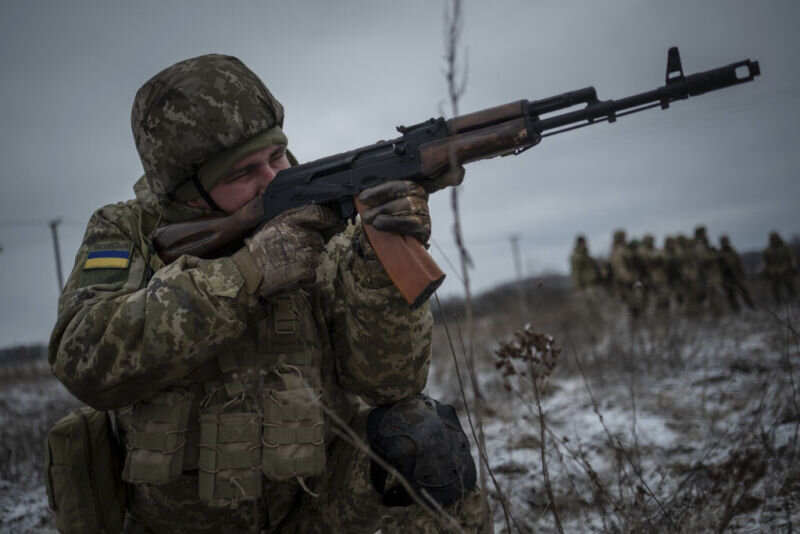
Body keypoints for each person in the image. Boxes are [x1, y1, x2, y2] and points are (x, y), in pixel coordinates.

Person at [48, 55, 484, 534]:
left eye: (277, 157)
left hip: (316, 506)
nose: (273, 179)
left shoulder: (315, 221)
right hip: (177, 524)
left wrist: (377, 264)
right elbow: (84, 358)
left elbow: (389, 385)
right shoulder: (126, 229)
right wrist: (245, 275)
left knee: (426, 444)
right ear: (187, 190)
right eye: (243, 173)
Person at [718, 235, 754, 312]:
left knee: (744, 291)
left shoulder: (733, 251)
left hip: (736, 275)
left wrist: (742, 273)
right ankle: (736, 310)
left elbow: (739, 263)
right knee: (731, 295)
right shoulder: (720, 254)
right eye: (723, 242)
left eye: (725, 241)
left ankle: (751, 306)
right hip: (727, 277)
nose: (725, 243)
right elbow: (719, 267)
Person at [762, 231, 797, 305]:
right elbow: (765, 262)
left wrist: (793, 266)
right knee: (775, 289)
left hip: (786, 270)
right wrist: (766, 271)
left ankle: (795, 300)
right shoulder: (767, 250)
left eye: (774, 238)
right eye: (772, 239)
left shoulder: (785, 247)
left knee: (790, 286)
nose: (773, 240)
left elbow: (792, 258)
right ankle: (778, 303)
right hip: (774, 272)